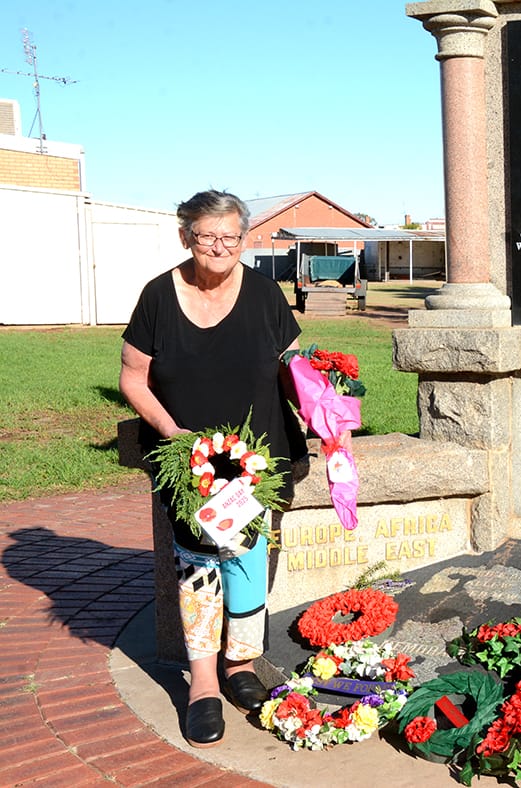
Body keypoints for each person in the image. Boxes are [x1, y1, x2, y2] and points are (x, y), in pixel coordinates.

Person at [119, 189, 311, 748]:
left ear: (243, 238)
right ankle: (202, 683)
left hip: (259, 457)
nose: (221, 247)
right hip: (191, 460)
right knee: (198, 565)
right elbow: (134, 377)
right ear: (186, 237)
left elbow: (291, 368)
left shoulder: (264, 293)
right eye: (208, 237)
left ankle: (241, 665)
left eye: (232, 237)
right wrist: (171, 433)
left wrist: (326, 411)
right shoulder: (158, 295)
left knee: (249, 558)